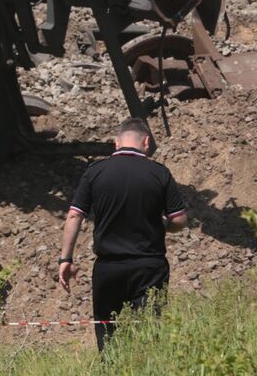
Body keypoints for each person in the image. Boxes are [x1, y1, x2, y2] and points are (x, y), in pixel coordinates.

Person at [57, 117, 188, 350]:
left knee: (109, 340)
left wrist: (66, 259)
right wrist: (161, 225)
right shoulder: (160, 173)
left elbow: (75, 215)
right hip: (149, 267)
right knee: (149, 337)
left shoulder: (95, 171)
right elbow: (179, 220)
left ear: (116, 143)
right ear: (146, 142)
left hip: (109, 269)